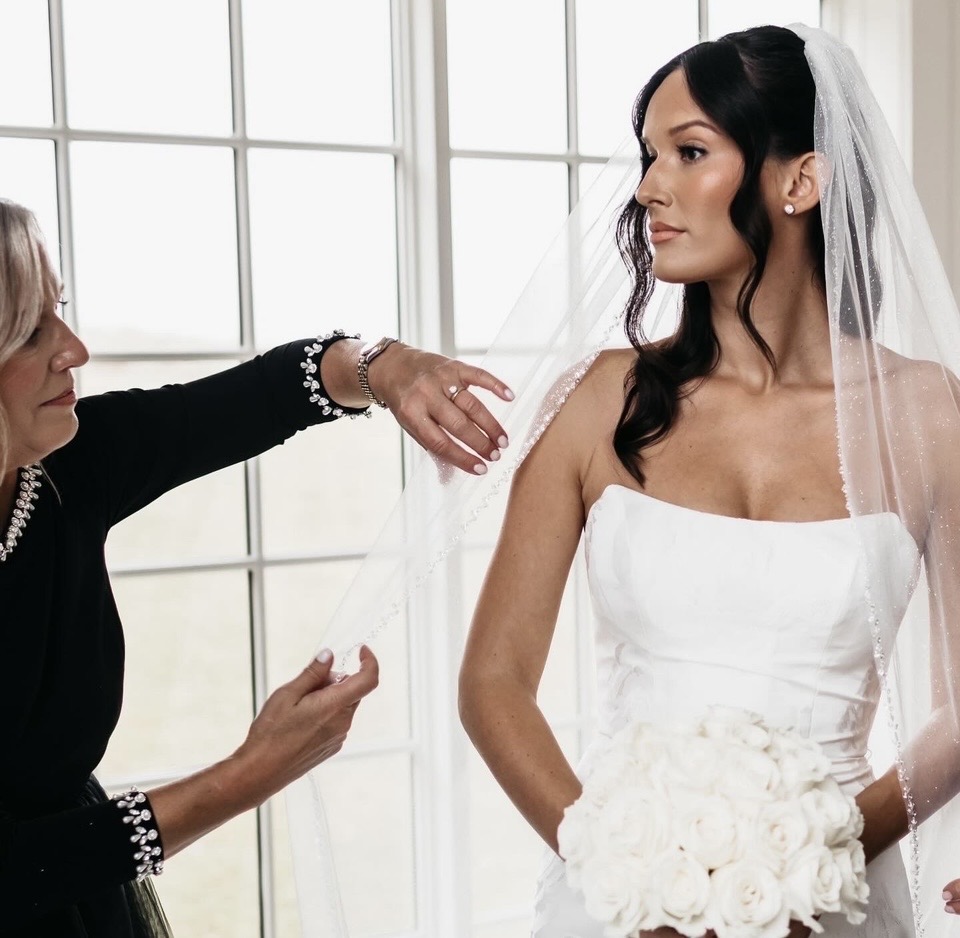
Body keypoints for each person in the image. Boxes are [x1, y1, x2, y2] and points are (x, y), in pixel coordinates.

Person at [459, 24, 960, 938]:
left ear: (800, 181)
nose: (650, 187)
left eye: (690, 152)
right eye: (650, 155)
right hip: (609, 902)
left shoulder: (928, 415)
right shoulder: (596, 402)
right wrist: (625, 876)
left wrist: (822, 858)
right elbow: (492, 683)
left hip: (834, 905)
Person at [0, 198, 514, 937]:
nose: (74, 349)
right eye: (31, 332)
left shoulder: (69, 468)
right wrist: (255, 771)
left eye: (62, 311)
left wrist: (383, 367)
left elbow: (265, 394)